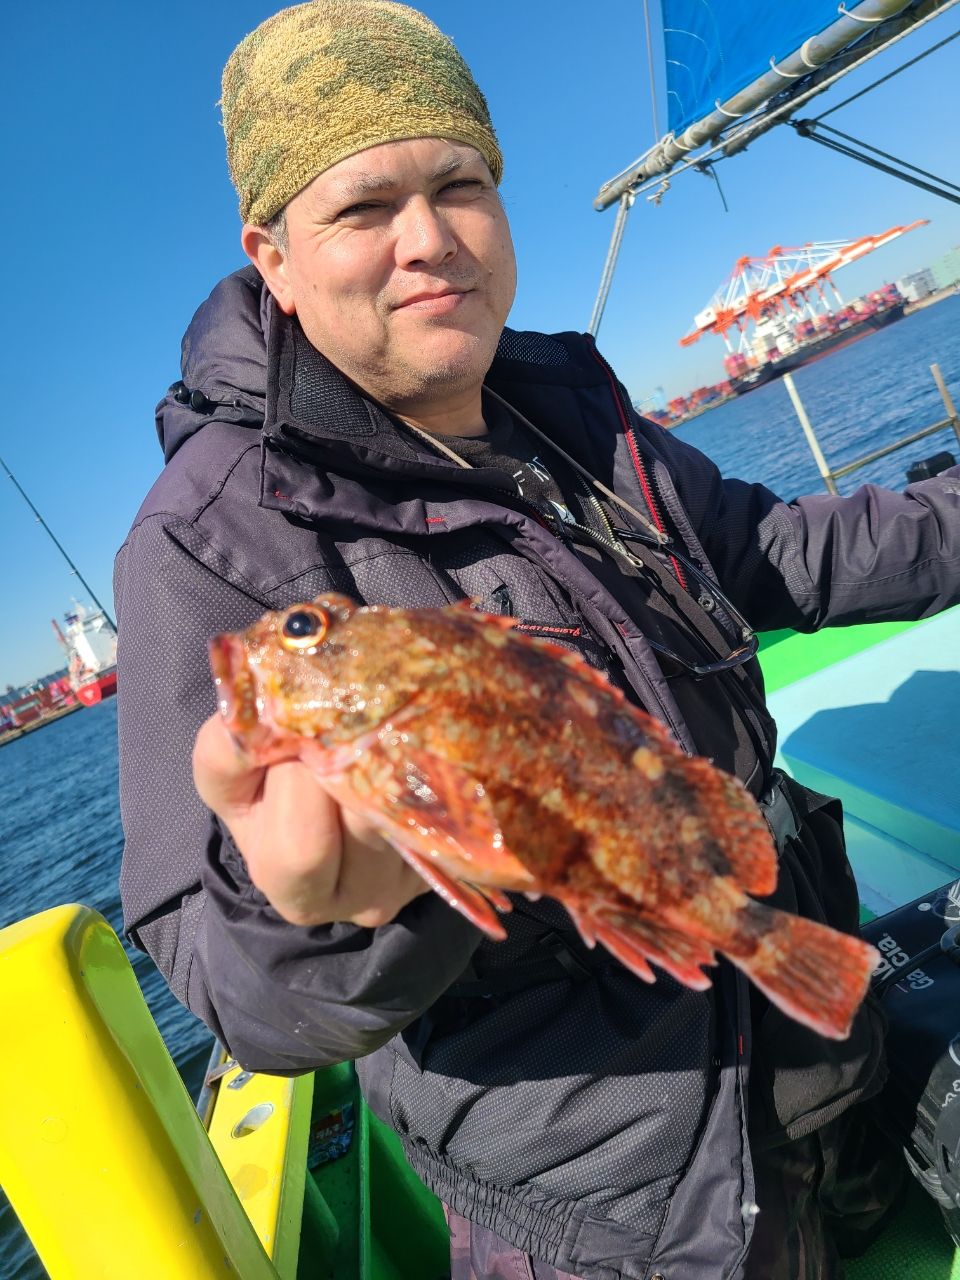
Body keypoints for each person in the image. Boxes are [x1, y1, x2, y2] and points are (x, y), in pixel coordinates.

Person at [114, 3, 959, 1276]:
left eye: (462, 183)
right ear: (273, 256)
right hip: (626, 1219)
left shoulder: (567, 407)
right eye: (362, 206)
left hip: (820, 1067)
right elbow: (238, 985)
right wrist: (335, 917)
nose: (428, 239)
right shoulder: (206, 539)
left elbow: (781, 549)